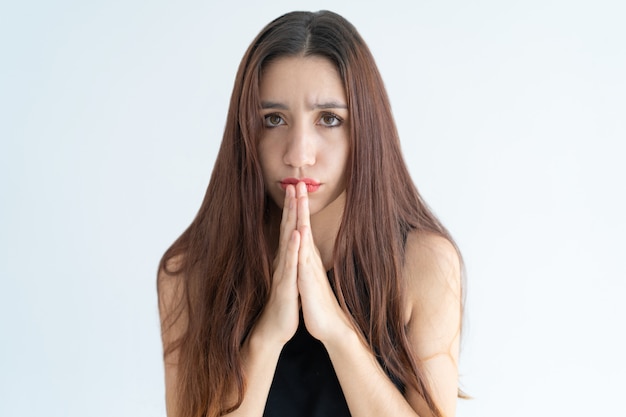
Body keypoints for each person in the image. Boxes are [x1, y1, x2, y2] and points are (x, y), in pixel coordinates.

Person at [158, 10, 464, 417]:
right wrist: (266, 338)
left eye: (330, 119)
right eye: (274, 120)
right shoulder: (191, 270)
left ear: (365, 133)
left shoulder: (424, 264)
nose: (298, 154)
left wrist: (336, 332)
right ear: (245, 132)